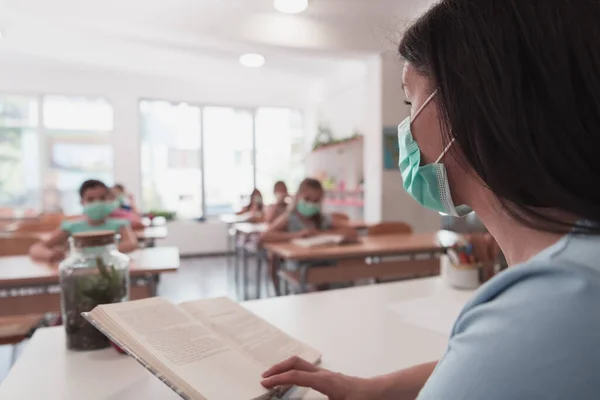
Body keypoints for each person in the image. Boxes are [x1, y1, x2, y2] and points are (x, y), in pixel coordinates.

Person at [260, 1, 600, 398]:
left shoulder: (547, 309)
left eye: (410, 102)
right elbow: (480, 366)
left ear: (461, 103)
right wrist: (371, 389)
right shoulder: (573, 271)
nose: (406, 129)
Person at [30, 180, 139, 262]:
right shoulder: (71, 227)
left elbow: (131, 243)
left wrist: (93, 253)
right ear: (81, 202)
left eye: (102, 198)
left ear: (109, 199)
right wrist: (50, 254)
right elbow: (36, 248)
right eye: (90, 199)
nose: (97, 203)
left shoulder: (120, 225)